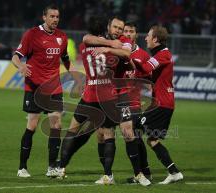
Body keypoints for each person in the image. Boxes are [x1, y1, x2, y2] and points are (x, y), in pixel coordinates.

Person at [57, 16, 150, 186]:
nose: (120, 32)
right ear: (108, 27)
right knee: (103, 135)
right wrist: (109, 45)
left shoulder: (122, 42)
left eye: (122, 29)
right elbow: (87, 38)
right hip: (108, 95)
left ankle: (139, 173)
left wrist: (109, 49)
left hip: (118, 96)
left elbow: (126, 53)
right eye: (116, 28)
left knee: (127, 134)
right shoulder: (104, 40)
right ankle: (107, 174)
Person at [12, 4, 71, 178]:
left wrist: (74, 73)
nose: (55, 20)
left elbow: (65, 57)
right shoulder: (32, 34)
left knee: (57, 125)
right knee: (32, 126)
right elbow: (16, 56)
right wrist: (20, 66)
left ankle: (52, 167)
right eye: (52, 16)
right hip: (34, 88)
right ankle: (22, 167)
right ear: (44, 17)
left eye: (57, 17)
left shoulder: (62, 37)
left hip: (54, 88)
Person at [132, 25, 184, 184]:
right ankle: (174, 172)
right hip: (162, 103)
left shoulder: (163, 54)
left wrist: (128, 56)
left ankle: (143, 174)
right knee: (152, 140)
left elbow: (146, 67)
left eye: (148, 35)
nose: (146, 38)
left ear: (155, 39)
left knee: (133, 128)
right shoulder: (160, 55)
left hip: (162, 104)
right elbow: (148, 75)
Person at [122, 21, 152, 183]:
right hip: (115, 102)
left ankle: (143, 173)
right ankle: (142, 173)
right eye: (125, 31)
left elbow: (149, 82)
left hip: (133, 103)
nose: (127, 34)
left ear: (136, 34)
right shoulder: (118, 51)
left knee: (135, 138)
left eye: (131, 31)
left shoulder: (143, 55)